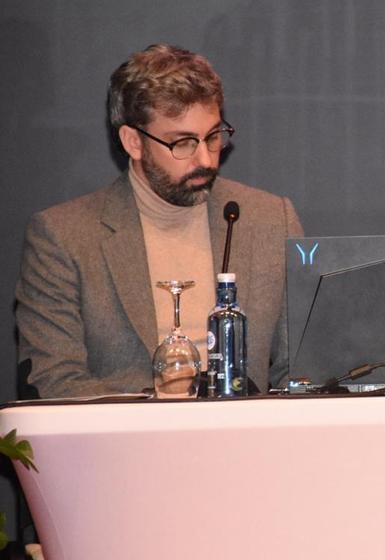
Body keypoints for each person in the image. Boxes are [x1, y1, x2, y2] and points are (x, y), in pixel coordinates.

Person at [15, 44, 303, 398]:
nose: (206, 160)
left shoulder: (270, 220)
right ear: (133, 141)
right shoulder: (63, 237)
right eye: (182, 143)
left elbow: (302, 373)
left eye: (213, 137)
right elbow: (54, 381)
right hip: (125, 447)